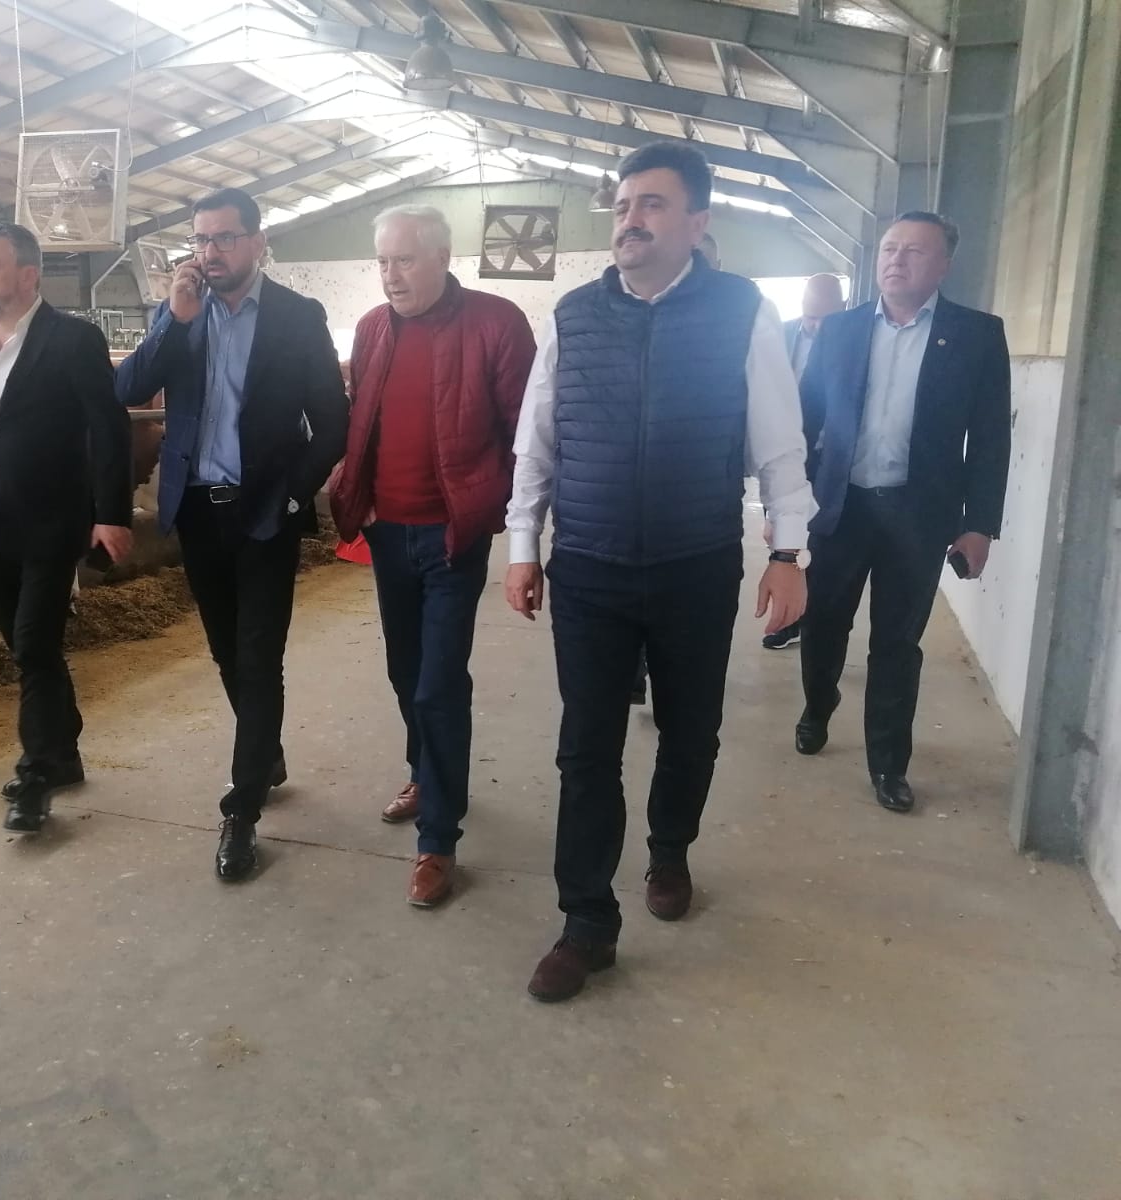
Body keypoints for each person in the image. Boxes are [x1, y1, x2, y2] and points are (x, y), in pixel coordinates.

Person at [504, 142, 814, 1003]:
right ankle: (585, 923)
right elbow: (536, 442)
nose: (630, 220)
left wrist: (788, 553)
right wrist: (523, 545)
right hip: (590, 567)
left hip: (695, 564)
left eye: (651, 204)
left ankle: (669, 849)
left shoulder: (742, 312)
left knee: (690, 729)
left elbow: (780, 444)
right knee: (586, 749)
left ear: (696, 221)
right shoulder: (573, 315)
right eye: (622, 206)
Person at [115, 187, 347, 882]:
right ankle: (264, 751)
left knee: (258, 657)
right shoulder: (180, 312)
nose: (209, 252)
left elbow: (331, 423)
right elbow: (127, 388)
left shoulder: (298, 317)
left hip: (264, 512)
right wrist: (172, 321)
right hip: (197, 511)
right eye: (201, 239)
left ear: (257, 243)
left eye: (224, 238)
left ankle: (241, 809)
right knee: (225, 651)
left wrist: (292, 497)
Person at [330, 204, 535, 908]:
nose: (391, 275)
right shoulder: (371, 329)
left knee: (439, 682)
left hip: (453, 537)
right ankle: (426, 771)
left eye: (405, 260)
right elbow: (363, 421)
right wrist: (363, 498)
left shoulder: (496, 324)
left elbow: (527, 431)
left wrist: (496, 511)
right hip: (389, 532)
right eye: (383, 262)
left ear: (443, 257)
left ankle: (438, 839)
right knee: (405, 669)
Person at [794, 212, 1011, 815]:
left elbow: (991, 439)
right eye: (890, 248)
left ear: (943, 265)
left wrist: (979, 524)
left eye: (914, 251)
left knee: (896, 643)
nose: (896, 259)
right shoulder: (839, 330)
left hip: (919, 516)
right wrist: (787, 502)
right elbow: (805, 417)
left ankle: (888, 763)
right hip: (842, 507)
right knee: (823, 623)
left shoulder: (976, 335)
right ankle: (818, 705)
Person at [0, 221, 134, 834]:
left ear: (27, 275)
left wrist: (111, 514)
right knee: (26, 647)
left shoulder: (73, 339)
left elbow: (109, 429)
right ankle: (63, 749)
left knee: (36, 645)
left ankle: (36, 773)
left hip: (52, 521)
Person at [763, 272, 847, 651]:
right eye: (810, 316)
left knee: (820, 545)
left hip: (833, 462)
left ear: (843, 308)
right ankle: (787, 619)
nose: (816, 326)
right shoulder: (780, 336)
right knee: (783, 541)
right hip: (786, 455)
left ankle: (805, 617)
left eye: (826, 318)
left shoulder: (852, 339)